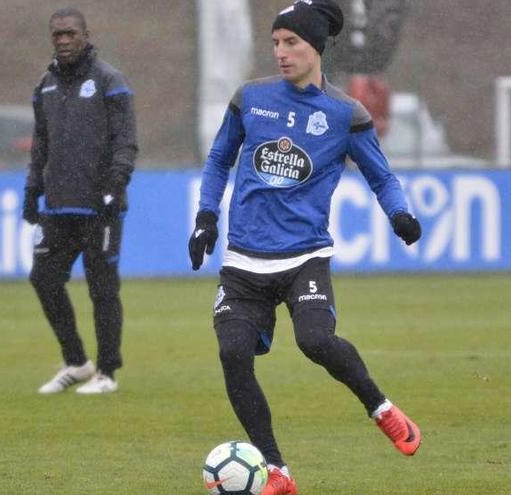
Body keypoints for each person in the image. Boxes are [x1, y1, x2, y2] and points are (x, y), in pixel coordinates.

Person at [189, 1, 422, 493]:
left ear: (316, 47)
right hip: (243, 259)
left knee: (315, 340)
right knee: (232, 352)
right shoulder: (250, 99)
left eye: (291, 42)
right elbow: (217, 161)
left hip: (304, 257)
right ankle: (277, 471)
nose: (280, 52)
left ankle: (381, 408)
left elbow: (381, 175)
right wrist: (206, 217)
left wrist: (400, 213)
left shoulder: (344, 113)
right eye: (275, 42)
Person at [22, 7, 137, 395]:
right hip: (58, 206)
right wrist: (31, 190)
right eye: (57, 35)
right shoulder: (45, 86)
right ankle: (76, 361)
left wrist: (114, 186)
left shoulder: (110, 82)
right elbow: (41, 144)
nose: (64, 40)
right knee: (43, 278)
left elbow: (126, 142)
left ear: (86, 35)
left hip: (100, 206)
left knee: (102, 288)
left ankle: (107, 373)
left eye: (71, 33)